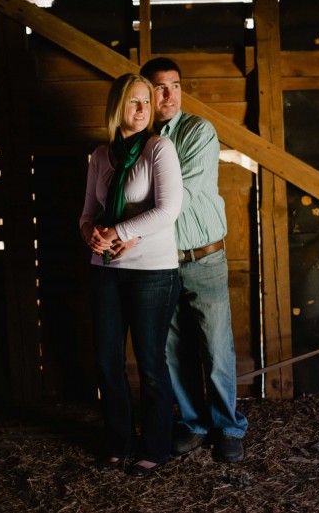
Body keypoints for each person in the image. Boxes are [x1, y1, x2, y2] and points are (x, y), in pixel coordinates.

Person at [139, 57, 248, 463]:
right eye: (160, 87)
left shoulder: (198, 132)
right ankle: (194, 422)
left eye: (175, 86)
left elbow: (175, 196)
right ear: (146, 92)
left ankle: (228, 426)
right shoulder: (140, 139)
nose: (169, 95)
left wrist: (131, 219)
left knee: (217, 348)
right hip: (161, 260)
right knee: (171, 348)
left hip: (203, 257)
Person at [79, 73, 183, 477]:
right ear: (117, 107)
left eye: (146, 102)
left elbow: (168, 209)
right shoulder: (101, 155)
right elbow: (88, 212)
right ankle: (117, 442)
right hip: (105, 269)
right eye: (134, 102)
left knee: (151, 363)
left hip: (152, 271)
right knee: (107, 362)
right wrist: (91, 234)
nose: (142, 109)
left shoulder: (160, 148)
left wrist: (121, 231)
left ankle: (155, 447)